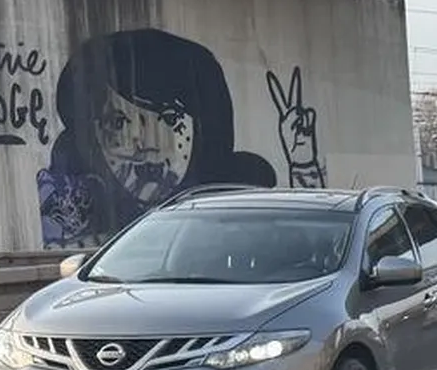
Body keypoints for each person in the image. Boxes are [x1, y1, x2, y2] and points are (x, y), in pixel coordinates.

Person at [40, 29, 275, 242]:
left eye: (169, 120)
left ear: (205, 130)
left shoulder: (236, 218)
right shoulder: (81, 222)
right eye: (118, 123)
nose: (143, 144)